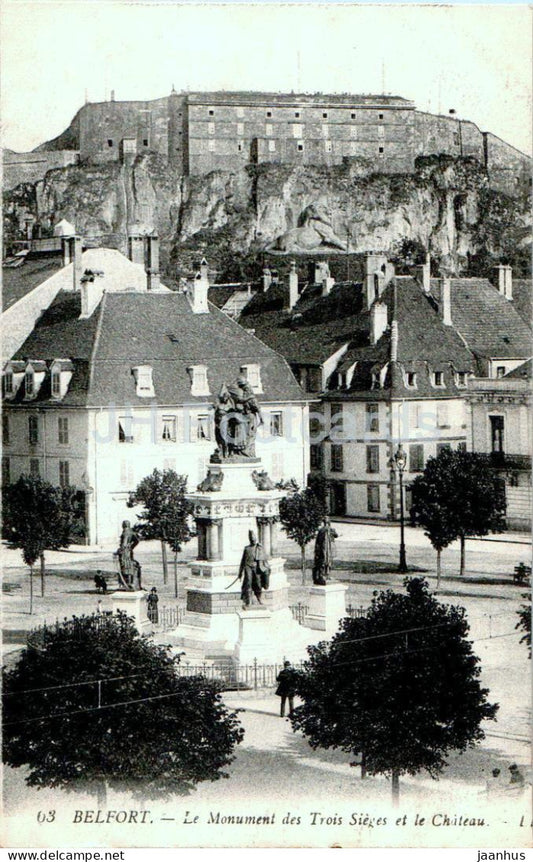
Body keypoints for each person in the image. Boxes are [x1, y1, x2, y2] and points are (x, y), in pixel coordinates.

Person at [238, 530, 269, 609]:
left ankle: (259, 598)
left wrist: (266, 569)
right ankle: (248, 601)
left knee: (258, 584)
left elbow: (264, 560)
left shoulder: (259, 548)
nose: (253, 540)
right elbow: (242, 561)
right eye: (252, 539)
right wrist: (240, 573)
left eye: (254, 539)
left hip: (257, 568)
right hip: (248, 567)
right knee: (248, 583)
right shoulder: (247, 549)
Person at [312, 517, 338, 585]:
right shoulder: (326, 530)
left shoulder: (323, 530)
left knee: (325, 562)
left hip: (326, 549)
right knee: (325, 562)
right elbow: (336, 535)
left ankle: (325, 576)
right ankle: (324, 575)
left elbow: (335, 535)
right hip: (325, 550)